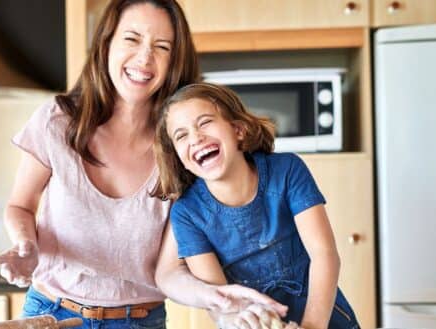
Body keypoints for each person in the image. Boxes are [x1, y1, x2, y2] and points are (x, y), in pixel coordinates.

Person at [0, 1, 285, 328]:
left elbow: (171, 269)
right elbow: (21, 204)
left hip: (138, 321)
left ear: (174, 61)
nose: (145, 58)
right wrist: (25, 246)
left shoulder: (182, 148)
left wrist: (225, 304)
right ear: (106, 45)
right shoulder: (57, 122)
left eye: (161, 47)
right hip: (50, 313)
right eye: (132, 39)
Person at [152, 82, 361, 329]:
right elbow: (220, 300)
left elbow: (324, 254)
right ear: (178, 157)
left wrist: (312, 325)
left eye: (205, 122)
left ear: (238, 129)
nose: (195, 138)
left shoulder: (287, 170)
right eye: (181, 135)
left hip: (327, 321)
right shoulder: (187, 214)